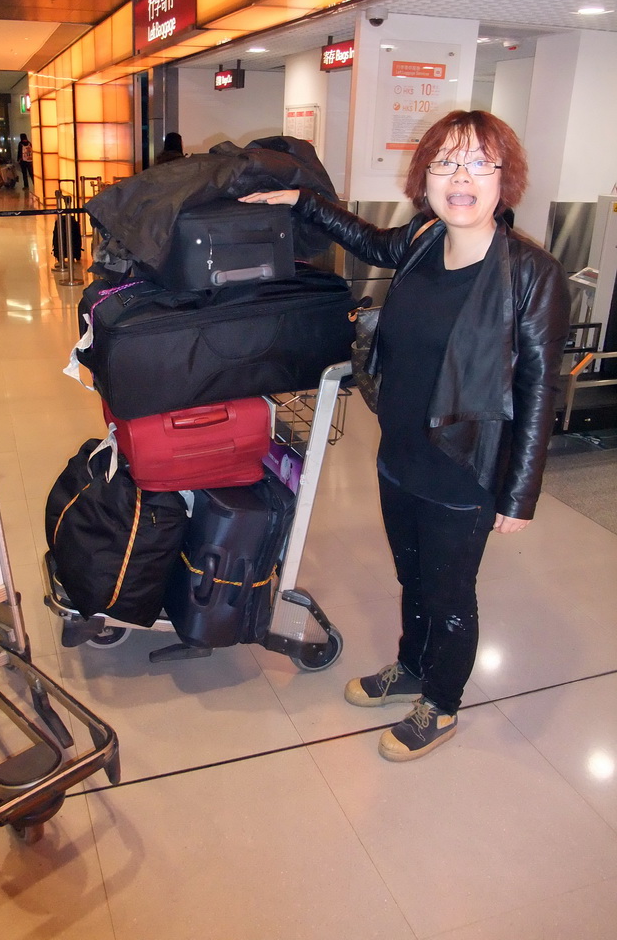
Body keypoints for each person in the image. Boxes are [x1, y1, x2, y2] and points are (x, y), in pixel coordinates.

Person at [240, 110, 571, 762]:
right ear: (427, 178)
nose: (461, 178)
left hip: (464, 468)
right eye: (446, 162)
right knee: (412, 578)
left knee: (450, 596)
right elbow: (366, 239)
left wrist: (519, 494)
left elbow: (540, 386)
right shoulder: (422, 238)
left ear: (506, 178)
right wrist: (301, 200)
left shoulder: (531, 273)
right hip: (400, 456)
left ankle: (441, 705)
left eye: (479, 163)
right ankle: (411, 669)